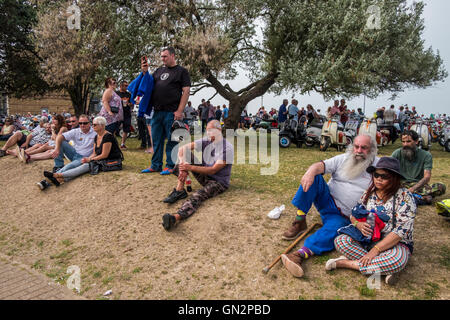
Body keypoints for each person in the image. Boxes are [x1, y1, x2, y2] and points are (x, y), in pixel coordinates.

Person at [280, 134, 379, 278]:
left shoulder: (379, 166)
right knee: (315, 177)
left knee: (334, 229)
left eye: (364, 148)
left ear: (372, 150)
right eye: (356, 146)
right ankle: (299, 221)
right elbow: (319, 166)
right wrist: (310, 172)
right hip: (327, 201)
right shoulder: (343, 158)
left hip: (344, 215)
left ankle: (298, 255)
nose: (358, 150)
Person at [327, 157, 416, 286]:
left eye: (384, 176)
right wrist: (358, 224)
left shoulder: (405, 197)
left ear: (394, 178)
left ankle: (346, 263)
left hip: (395, 243)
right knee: (340, 241)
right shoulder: (369, 193)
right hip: (368, 240)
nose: (378, 178)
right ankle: (385, 268)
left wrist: (376, 250)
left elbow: (400, 232)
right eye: (376, 174)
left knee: (396, 260)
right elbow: (353, 214)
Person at [161, 120, 234, 231]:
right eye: (207, 131)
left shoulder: (227, 148)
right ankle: (179, 190)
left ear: (219, 131)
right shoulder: (206, 140)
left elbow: (213, 170)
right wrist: (183, 167)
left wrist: (189, 168)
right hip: (204, 175)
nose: (208, 133)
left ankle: (175, 218)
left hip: (218, 182)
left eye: (210, 131)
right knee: (184, 154)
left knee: (198, 195)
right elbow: (182, 149)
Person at [140, 46, 191, 175]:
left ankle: (170, 165)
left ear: (173, 56)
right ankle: (155, 165)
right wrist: (145, 71)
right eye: (161, 56)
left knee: (172, 140)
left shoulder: (182, 71)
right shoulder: (158, 71)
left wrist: (179, 111)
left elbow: (186, 91)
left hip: (172, 112)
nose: (162, 59)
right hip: (157, 112)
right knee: (156, 140)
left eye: (165, 56)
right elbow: (148, 84)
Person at [37, 116, 123, 190]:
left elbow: (105, 155)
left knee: (74, 166)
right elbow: (95, 152)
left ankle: (55, 177)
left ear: (102, 125)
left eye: (94, 124)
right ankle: (57, 171)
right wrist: (57, 149)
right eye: (80, 123)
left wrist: (89, 159)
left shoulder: (106, 136)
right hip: (82, 156)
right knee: (62, 144)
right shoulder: (96, 136)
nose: (83, 125)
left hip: (106, 161)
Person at [391, 130, 446, 205]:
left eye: (408, 141)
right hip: (401, 184)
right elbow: (389, 171)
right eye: (403, 142)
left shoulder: (426, 155)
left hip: (418, 185)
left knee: (440, 186)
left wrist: (413, 189)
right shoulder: (397, 153)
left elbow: (427, 177)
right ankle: (421, 198)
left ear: (416, 141)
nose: (405, 144)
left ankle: (410, 197)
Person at [116, 80, 133, 150]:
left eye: (127, 85)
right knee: (114, 129)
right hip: (118, 114)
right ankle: (113, 144)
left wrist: (130, 104)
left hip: (127, 114)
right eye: (125, 85)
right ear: (121, 86)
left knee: (126, 129)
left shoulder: (129, 94)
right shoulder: (116, 93)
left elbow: (132, 104)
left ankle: (123, 144)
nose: (127, 87)